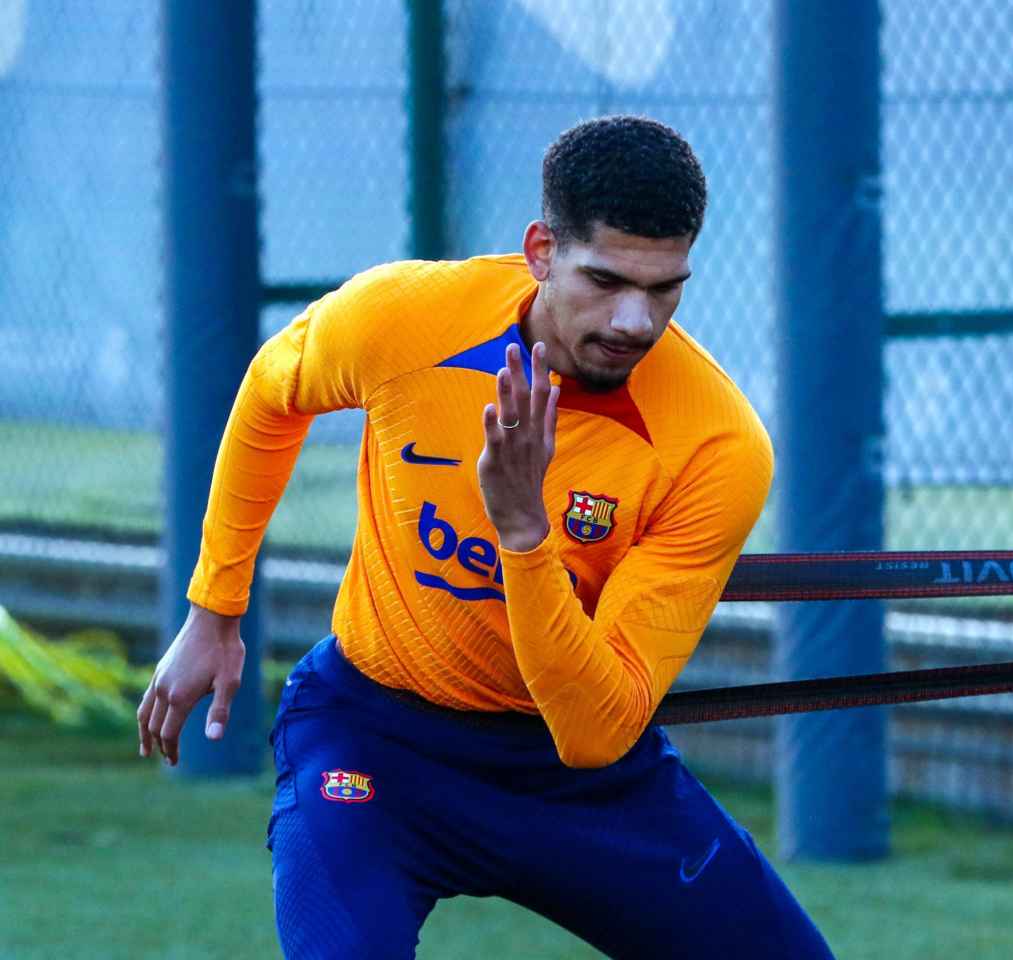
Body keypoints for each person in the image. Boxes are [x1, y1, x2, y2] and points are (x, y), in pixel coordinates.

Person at [135, 115, 833, 959]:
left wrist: (525, 536)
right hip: (374, 739)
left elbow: (595, 732)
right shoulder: (404, 320)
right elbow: (272, 392)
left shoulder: (718, 445)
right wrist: (215, 606)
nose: (634, 321)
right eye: (606, 279)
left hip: (579, 781)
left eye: (664, 288)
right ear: (541, 250)